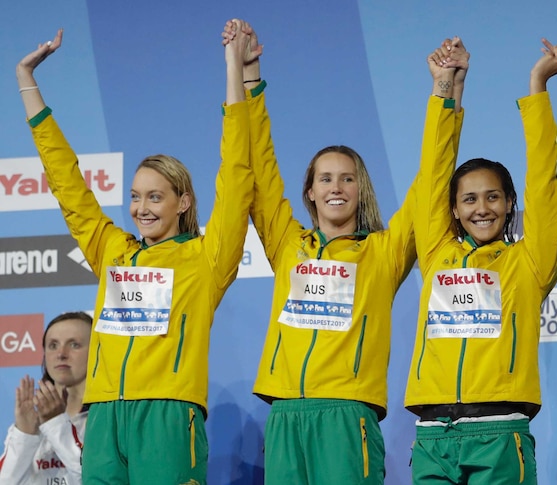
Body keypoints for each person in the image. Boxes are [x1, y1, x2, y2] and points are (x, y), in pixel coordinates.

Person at [16, 22, 253, 483]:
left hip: (167, 417)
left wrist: (234, 70)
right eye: (135, 196)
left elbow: (237, 172)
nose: (141, 209)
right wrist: (28, 82)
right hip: (104, 417)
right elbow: (66, 183)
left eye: (155, 197)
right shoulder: (112, 250)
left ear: (183, 202)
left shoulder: (207, 256)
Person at [221, 20, 432, 484]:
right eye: (325, 178)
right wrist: (250, 76)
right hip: (285, 415)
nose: (336, 186)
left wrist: (445, 99)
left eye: (347, 177)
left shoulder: (385, 251)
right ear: (310, 192)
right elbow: (260, 166)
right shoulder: (286, 244)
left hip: (346, 414)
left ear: (361, 190)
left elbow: (430, 184)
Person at [405, 37, 557, 484]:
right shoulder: (437, 253)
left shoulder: (530, 261)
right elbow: (434, 169)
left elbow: (544, 181)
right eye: (470, 199)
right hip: (433, 435)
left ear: (510, 203)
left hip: (499, 431)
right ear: (452, 209)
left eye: (493, 197)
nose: (482, 208)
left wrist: (537, 88)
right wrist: (444, 89)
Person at [0, 312, 92, 484]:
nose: (61, 354)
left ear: (96, 351)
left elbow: (93, 479)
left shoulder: (107, 420)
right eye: (53, 345)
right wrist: (25, 434)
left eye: (74, 345)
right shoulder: (33, 424)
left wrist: (56, 424)